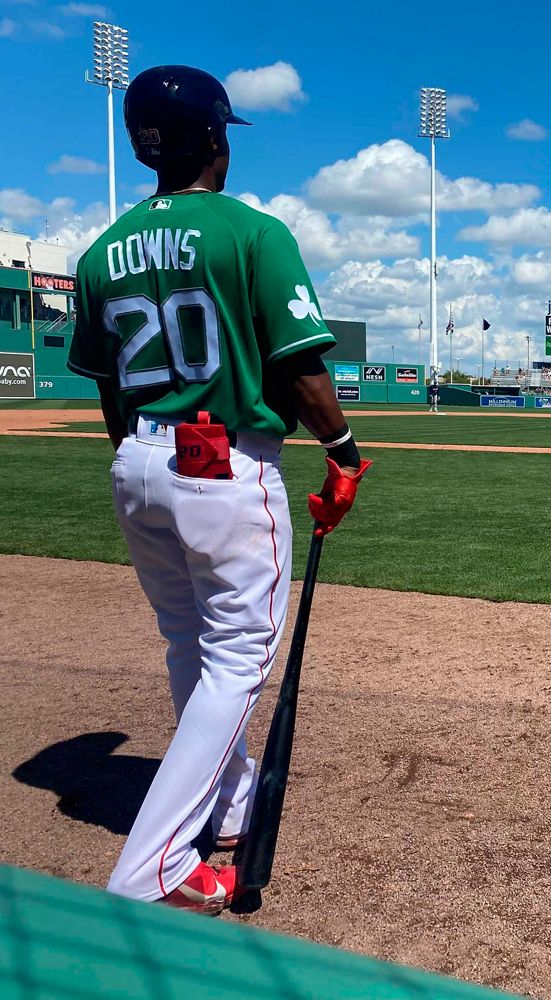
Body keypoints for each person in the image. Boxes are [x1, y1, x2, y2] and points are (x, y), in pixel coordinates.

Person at [67, 65, 371, 916]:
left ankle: (229, 812)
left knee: (188, 648)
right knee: (236, 659)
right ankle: (154, 866)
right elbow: (301, 366)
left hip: (139, 459)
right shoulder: (252, 231)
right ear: (210, 138)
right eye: (225, 131)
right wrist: (343, 450)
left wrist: (149, 461)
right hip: (223, 461)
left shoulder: (100, 252)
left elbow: (108, 395)